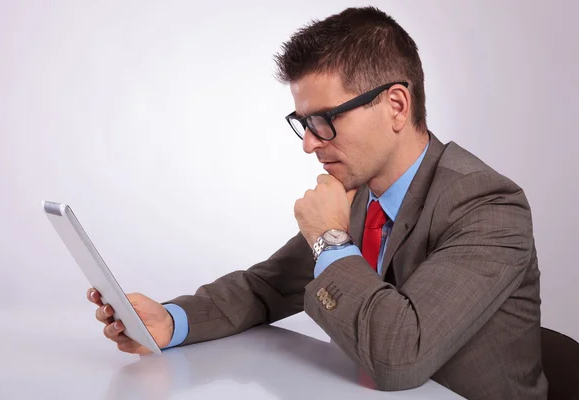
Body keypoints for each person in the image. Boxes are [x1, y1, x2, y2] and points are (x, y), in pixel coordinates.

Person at [87, 6, 547, 400]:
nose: (309, 143)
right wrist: (171, 321)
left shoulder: (489, 207)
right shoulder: (361, 191)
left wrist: (330, 239)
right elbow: (265, 288)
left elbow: (399, 356)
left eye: (325, 120)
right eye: (303, 122)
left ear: (396, 105)